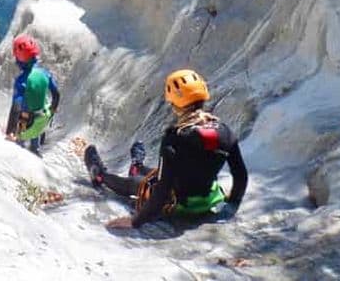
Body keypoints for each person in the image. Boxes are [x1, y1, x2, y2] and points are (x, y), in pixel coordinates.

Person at [84, 69, 248, 229]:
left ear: (175, 104)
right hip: (207, 201)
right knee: (172, 171)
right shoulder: (225, 131)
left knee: (134, 184)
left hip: (179, 206)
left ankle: (99, 174)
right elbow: (241, 175)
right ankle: (137, 166)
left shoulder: (175, 138)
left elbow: (163, 189)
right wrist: (232, 203)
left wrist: (135, 221)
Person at [5, 34, 61, 156]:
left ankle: (22, 149)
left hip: (27, 121)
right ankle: (36, 149)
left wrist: (10, 131)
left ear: (19, 60)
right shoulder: (45, 73)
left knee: (20, 141)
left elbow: (16, 108)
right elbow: (56, 94)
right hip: (42, 117)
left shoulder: (21, 82)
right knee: (36, 134)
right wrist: (53, 109)